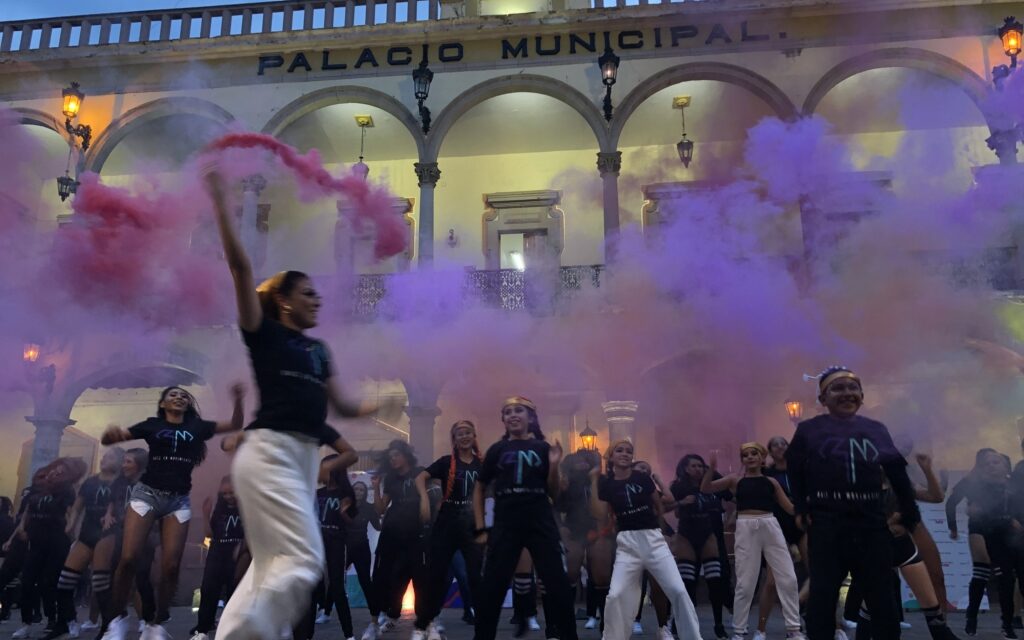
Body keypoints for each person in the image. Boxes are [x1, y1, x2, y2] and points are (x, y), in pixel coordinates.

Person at [203, 168, 366, 640]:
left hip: (298, 460)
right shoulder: (265, 334)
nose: (318, 300)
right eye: (308, 293)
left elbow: (340, 405)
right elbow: (241, 269)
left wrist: (374, 410)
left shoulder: (320, 350)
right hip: (270, 451)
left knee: (270, 566)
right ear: (284, 301)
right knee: (305, 563)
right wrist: (220, 202)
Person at [99, 383, 245, 640]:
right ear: (164, 404)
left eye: (183, 396)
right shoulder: (152, 425)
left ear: (187, 404)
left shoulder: (197, 428)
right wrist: (110, 436)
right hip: (147, 495)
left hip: (178, 500)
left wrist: (238, 399)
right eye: (172, 395)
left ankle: (156, 623)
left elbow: (234, 424)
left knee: (171, 566)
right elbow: (114, 437)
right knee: (129, 557)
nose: (179, 397)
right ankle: (115, 620)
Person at [786, 366, 920, 640]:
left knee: (882, 598)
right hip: (826, 524)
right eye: (837, 388)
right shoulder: (809, 430)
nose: (847, 393)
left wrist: (909, 514)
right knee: (822, 597)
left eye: (852, 388)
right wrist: (801, 506)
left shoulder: (876, 429)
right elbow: (794, 469)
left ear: (862, 395)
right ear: (823, 399)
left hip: (871, 524)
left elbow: (897, 472)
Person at [472, 396, 578, 640]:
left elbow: (553, 493)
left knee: (557, 585)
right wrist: (480, 527)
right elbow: (479, 487)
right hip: (506, 523)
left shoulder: (543, 448)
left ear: (530, 417)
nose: (512, 415)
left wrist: (553, 466)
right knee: (492, 587)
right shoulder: (497, 450)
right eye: (507, 412)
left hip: (539, 521)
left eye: (518, 410)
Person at [591, 439, 702, 640]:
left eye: (629, 451)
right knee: (615, 595)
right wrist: (592, 480)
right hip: (627, 544)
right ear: (611, 456)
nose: (625, 454)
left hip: (652, 539)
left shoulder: (642, 478)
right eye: (620, 450)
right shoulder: (606, 483)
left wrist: (661, 533)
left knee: (677, 589)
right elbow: (601, 514)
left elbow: (659, 506)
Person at [700, 443, 804, 640]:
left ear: (762, 457)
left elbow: (790, 508)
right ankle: (739, 631)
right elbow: (706, 489)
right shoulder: (735, 480)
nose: (750, 457)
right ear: (742, 459)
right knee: (745, 582)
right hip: (746, 528)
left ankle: (794, 629)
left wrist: (807, 509)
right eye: (745, 455)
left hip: (770, 525)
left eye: (754, 453)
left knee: (788, 578)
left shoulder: (771, 482)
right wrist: (712, 469)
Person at [411, 421, 483, 640]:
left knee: (475, 576)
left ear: (473, 435)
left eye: (468, 433)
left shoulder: (483, 464)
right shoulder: (445, 462)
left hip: (471, 524)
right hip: (447, 523)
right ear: (455, 438)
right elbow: (420, 477)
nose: (464, 437)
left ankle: (482, 626)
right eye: (460, 434)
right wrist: (424, 499)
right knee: (435, 576)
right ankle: (423, 624)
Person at [49, 448, 126, 640]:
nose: (103, 460)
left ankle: (108, 625)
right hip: (87, 533)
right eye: (103, 457)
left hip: (109, 533)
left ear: (119, 462)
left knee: (100, 582)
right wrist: (71, 524)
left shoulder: (122, 483)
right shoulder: (90, 482)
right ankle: (66, 623)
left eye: (109, 457)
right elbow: (77, 506)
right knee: (65, 581)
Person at [8, 458, 89, 640]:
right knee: (27, 582)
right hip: (36, 542)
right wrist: (21, 527)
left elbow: (72, 513)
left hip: (57, 541)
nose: (55, 473)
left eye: (61, 472)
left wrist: (74, 535)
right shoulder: (37, 488)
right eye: (54, 470)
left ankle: (65, 620)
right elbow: (28, 510)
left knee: (51, 583)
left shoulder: (66, 491)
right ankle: (26, 624)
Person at [947, 448, 1016, 637]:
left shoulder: (1010, 483)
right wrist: (952, 527)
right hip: (979, 527)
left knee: (1006, 578)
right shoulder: (972, 482)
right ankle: (972, 616)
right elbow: (951, 502)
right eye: (986, 462)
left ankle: (1007, 624)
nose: (991, 465)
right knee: (981, 571)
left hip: (1003, 530)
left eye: (996, 461)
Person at [363, 440, 425, 640]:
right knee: (386, 576)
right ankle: (386, 616)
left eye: (396, 455)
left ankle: (424, 622)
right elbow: (381, 510)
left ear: (406, 454)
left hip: (414, 534)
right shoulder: (390, 479)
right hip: (391, 533)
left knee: (418, 576)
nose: (393, 459)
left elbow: (428, 501)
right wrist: (376, 488)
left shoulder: (419, 473)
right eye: (390, 458)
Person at [667, 453, 732, 639]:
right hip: (687, 533)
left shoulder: (711, 484)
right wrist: (681, 502)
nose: (698, 469)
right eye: (694, 466)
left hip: (707, 532)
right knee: (687, 583)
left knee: (715, 581)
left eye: (700, 466)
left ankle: (719, 624)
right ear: (685, 468)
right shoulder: (678, 486)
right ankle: (680, 623)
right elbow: (669, 507)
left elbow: (730, 497)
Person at [92, 448, 149, 637]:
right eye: (123, 461)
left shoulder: (150, 482)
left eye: (128, 462)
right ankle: (114, 620)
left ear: (139, 464)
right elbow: (112, 501)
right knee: (112, 575)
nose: (123, 465)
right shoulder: (120, 482)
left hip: (143, 536)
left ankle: (147, 621)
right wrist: (108, 515)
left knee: (139, 578)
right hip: (119, 532)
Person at [756, 436, 808, 640]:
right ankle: (761, 630)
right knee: (772, 580)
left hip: (801, 524)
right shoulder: (766, 473)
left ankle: (828, 624)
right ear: (769, 451)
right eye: (775, 444)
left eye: (783, 443)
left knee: (819, 573)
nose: (780, 446)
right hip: (776, 527)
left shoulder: (801, 471)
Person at [189, 475, 247, 640]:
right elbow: (209, 534)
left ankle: (232, 628)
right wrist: (205, 515)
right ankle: (203, 628)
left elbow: (252, 533)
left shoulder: (247, 508)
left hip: (237, 554)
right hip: (217, 550)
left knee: (234, 590)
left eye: (232, 493)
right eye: (225, 494)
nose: (228, 496)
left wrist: (242, 548)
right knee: (208, 589)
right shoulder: (220, 508)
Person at [344, 481, 379, 619]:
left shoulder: (369, 508)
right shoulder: (345, 506)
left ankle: (375, 612)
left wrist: (387, 517)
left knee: (365, 581)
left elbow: (377, 526)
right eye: (356, 489)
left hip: (361, 547)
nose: (358, 492)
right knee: (337, 579)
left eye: (361, 490)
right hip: (345, 547)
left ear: (365, 493)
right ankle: (326, 611)